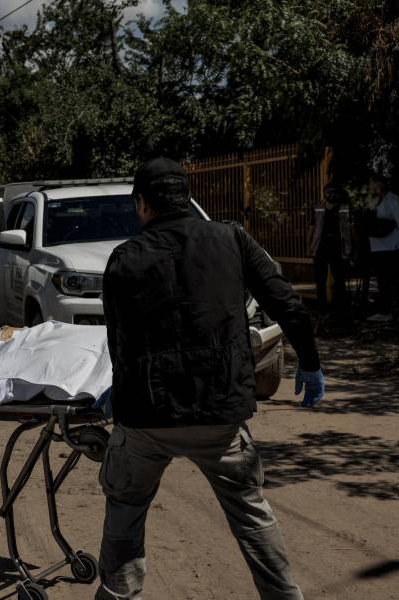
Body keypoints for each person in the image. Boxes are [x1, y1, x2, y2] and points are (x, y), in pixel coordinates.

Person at [98, 157, 324, 599]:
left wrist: (118, 395)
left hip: (147, 419)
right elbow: (287, 304)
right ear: (186, 197)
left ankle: (118, 595)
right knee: (252, 516)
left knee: (125, 507)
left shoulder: (124, 258)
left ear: (142, 204)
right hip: (219, 416)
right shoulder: (231, 238)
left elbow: (118, 341)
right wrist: (311, 364)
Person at [308, 183, 353, 314]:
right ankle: (322, 308)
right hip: (320, 248)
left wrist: (352, 248)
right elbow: (311, 228)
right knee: (320, 280)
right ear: (324, 193)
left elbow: (351, 228)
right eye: (329, 192)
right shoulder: (317, 208)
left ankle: (339, 307)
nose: (332, 195)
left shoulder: (345, 208)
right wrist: (308, 246)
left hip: (339, 248)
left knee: (339, 279)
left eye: (335, 192)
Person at [364, 173, 399, 323]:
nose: (370, 188)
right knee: (382, 281)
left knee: (391, 281)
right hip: (377, 246)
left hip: (391, 246)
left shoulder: (393, 200)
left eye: (372, 184)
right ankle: (385, 311)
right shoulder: (374, 201)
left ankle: (388, 311)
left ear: (378, 185)